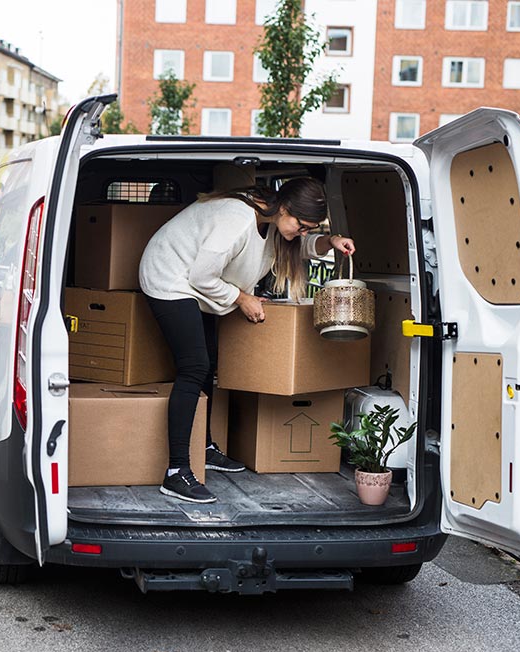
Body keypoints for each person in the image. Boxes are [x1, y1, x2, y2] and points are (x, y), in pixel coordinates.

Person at [138, 177, 356, 503]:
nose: (303, 232)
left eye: (309, 228)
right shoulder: (237, 220)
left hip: (200, 283)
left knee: (209, 361)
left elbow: (300, 244)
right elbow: (200, 276)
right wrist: (242, 298)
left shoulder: (275, 220)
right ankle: (176, 472)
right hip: (170, 276)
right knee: (194, 365)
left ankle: (205, 448)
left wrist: (332, 240)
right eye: (302, 225)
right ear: (284, 208)